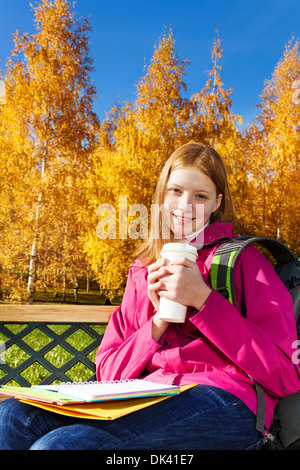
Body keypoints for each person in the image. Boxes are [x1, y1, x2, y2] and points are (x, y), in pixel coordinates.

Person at [0, 141, 299, 450]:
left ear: (216, 203)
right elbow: (108, 372)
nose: (185, 206)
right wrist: (157, 322)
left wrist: (204, 301)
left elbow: (285, 375)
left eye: (201, 196)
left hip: (224, 400)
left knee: (64, 446)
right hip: (143, 395)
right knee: (10, 417)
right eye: (176, 192)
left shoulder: (244, 261)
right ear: (162, 195)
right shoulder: (143, 270)